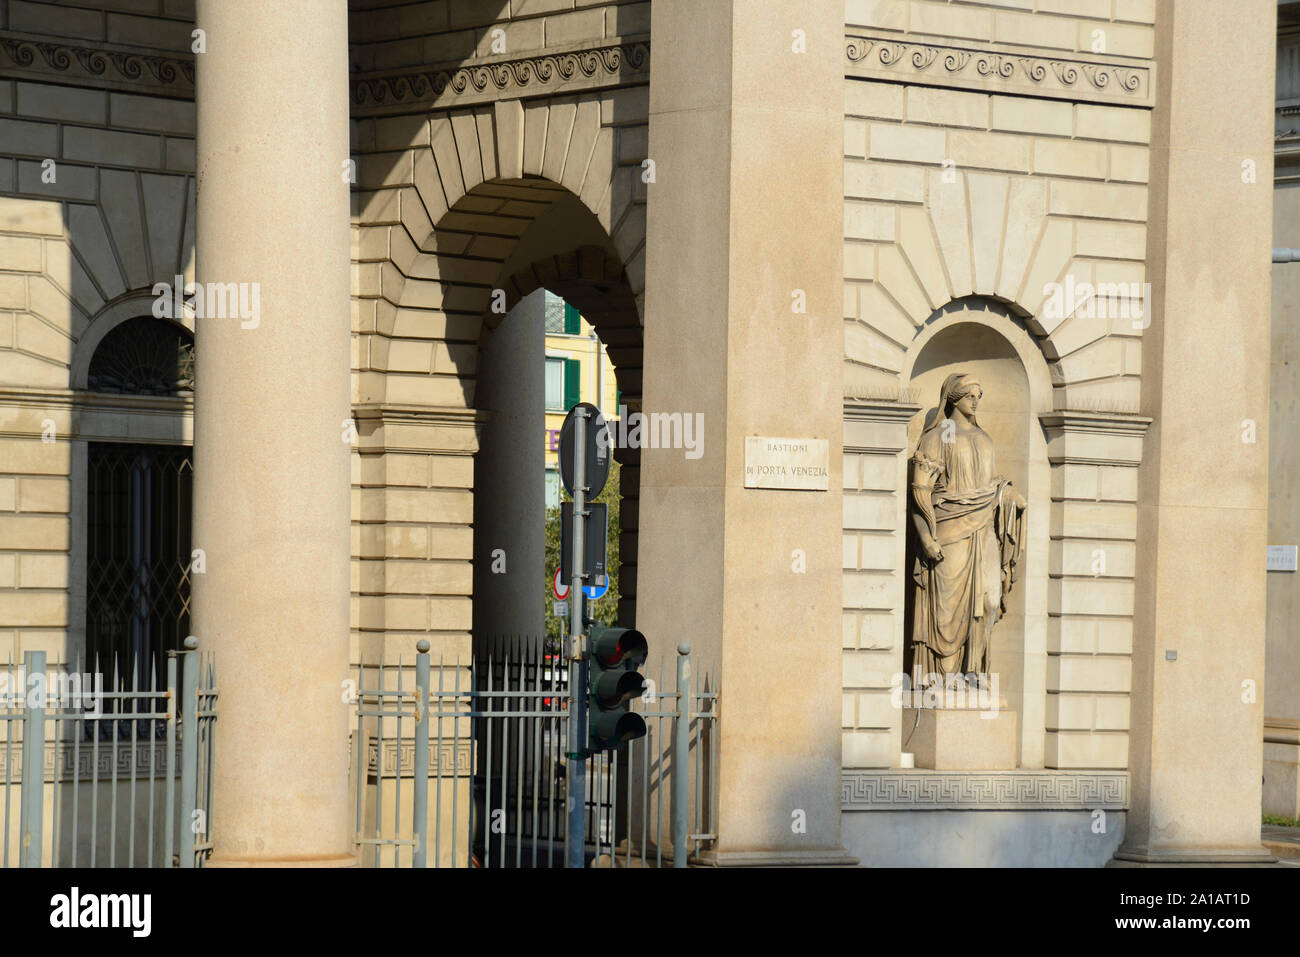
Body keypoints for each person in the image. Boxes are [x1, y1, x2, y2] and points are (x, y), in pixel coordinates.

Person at [908, 372, 1026, 688]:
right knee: (946, 608)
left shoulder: (985, 439)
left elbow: (989, 486)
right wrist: (925, 538)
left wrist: (1009, 496)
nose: (975, 401)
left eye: (978, 396)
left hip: (984, 529)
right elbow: (919, 493)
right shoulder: (938, 438)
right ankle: (942, 677)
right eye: (970, 395)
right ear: (955, 398)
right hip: (949, 530)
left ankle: (973, 669)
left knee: (989, 600)